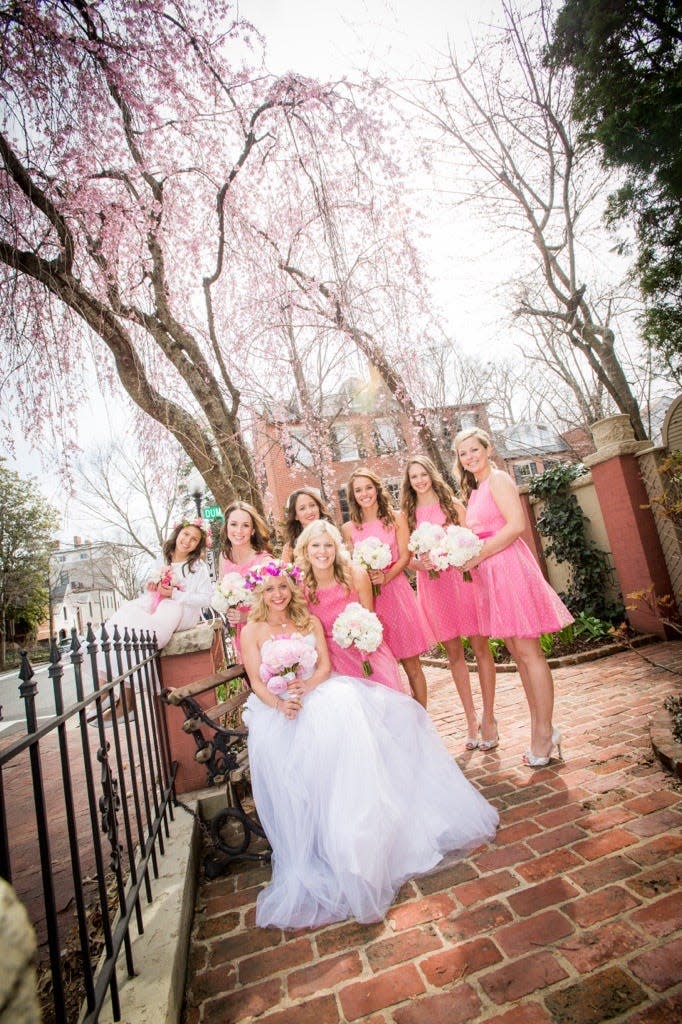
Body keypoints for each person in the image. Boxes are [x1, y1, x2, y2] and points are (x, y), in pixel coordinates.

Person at [239, 560, 499, 929]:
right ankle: (320, 847)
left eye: (283, 587)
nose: (278, 595)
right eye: (270, 590)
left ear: (292, 589)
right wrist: (282, 703)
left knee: (350, 732)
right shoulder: (252, 630)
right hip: (279, 708)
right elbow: (255, 680)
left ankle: (358, 843)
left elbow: (325, 668)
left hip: (316, 694)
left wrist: (306, 689)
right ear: (260, 594)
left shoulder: (308, 621)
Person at [453, 427, 573, 767]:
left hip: (508, 569)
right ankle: (542, 728)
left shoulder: (500, 480)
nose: (470, 457)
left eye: (475, 450)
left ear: (487, 448)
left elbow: (516, 525)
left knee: (529, 651)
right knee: (517, 654)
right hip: (489, 576)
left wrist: (478, 554)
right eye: (463, 454)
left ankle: (544, 732)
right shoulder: (474, 491)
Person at [400, 455, 497, 750]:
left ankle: (489, 717)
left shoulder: (453, 506)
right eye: (413, 476)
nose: (419, 480)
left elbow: (473, 543)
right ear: (409, 482)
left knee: (480, 649)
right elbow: (407, 559)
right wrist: (421, 564)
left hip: (462, 581)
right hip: (435, 588)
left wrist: (456, 553)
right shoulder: (407, 516)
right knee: (454, 655)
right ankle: (470, 719)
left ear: (432, 474)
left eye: (423, 473)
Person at [92, 519, 212, 719]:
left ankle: (123, 702)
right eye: (186, 534)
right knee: (123, 620)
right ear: (178, 533)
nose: (187, 541)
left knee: (141, 633)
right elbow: (152, 585)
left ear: (198, 545)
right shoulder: (162, 558)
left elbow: (206, 599)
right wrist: (152, 586)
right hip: (157, 604)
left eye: (194, 539)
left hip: (181, 612)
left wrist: (174, 593)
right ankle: (108, 689)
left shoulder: (198, 567)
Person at [341, 468, 432, 707]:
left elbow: (405, 556)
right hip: (368, 602)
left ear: (377, 489)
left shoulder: (396, 518)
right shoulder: (349, 529)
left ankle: (421, 721)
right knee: (381, 667)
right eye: (358, 490)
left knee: (412, 665)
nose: (364, 494)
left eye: (368, 488)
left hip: (396, 594)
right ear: (353, 496)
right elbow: (349, 566)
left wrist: (386, 576)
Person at [294, 519, 405, 693]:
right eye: (315, 545)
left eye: (328, 545)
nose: (322, 551)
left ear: (336, 548)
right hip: (328, 664)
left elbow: (370, 621)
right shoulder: (300, 587)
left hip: (364, 655)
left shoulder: (356, 575)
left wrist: (362, 642)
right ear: (306, 550)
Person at [217, 500, 272, 641]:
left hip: (263, 631)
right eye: (234, 524)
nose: (239, 531)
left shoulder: (264, 562)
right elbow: (221, 593)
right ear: (227, 527)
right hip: (239, 633)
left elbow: (275, 604)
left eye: (245, 525)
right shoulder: (224, 557)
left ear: (253, 531)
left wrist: (246, 616)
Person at [280, 487, 333, 563]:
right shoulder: (290, 549)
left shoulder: (333, 536)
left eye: (312, 505)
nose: (309, 511)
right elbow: (285, 572)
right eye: (302, 508)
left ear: (318, 508)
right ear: (296, 516)